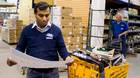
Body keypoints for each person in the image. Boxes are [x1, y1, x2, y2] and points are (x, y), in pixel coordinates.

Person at [7, 2, 73, 78]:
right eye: (41, 15)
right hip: (33, 72)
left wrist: (67, 57)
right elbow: (20, 48)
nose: (44, 19)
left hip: (52, 73)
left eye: (47, 15)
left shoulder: (56, 30)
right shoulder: (27, 30)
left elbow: (61, 48)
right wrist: (13, 58)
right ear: (35, 14)